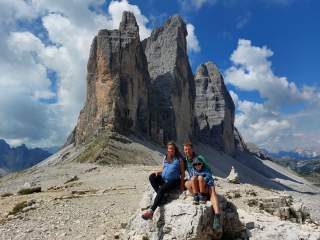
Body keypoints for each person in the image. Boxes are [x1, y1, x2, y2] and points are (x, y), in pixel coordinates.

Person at [183, 142, 222, 231]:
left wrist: (208, 182)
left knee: (212, 191)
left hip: (205, 180)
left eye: (189, 149)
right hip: (194, 181)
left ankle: (217, 215)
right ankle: (197, 196)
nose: (187, 151)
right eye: (185, 149)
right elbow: (181, 171)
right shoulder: (185, 160)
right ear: (184, 151)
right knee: (186, 183)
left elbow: (209, 171)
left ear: (192, 149)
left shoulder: (200, 158)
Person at [142, 142, 185, 220]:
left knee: (161, 189)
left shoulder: (179, 159)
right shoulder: (166, 157)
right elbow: (164, 168)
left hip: (174, 181)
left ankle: (151, 211)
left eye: (172, 148)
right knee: (152, 177)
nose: (170, 150)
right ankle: (162, 196)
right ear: (167, 149)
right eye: (169, 148)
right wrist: (158, 172)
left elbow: (182, 173)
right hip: (164, 179)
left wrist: (182, 185)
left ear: (175, 149)